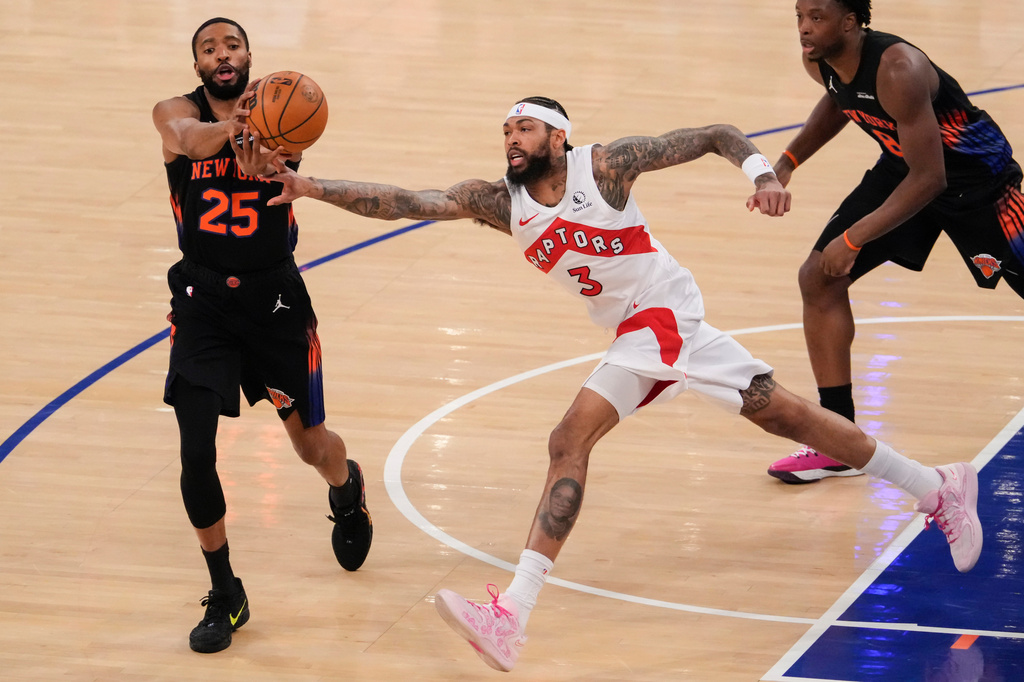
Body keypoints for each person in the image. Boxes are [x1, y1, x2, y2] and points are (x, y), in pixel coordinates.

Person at [239, 96, 983, 671]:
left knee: (570, 437)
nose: (510, 140)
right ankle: (936, 484)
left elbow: (718, 133)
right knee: (782, 414)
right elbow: (407, 200)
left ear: (557, 136)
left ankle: (513, 614)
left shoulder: (605, 167)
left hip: (662, 312)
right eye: (504, 130)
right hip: (645, 329)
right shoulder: (500, 202)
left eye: (524, 129)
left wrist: (761, 172)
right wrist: (310, 185)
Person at [151, 17, 372, 654]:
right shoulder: (174, 112)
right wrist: (236, 131)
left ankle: (347, 487)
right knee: (196, 451)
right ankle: (226, 593)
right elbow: (190, 141)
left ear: (249, 55)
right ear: (197, 65)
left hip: (275, 302)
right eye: (208, 48)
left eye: (232, 45)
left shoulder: (279, 107)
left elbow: (280, 153)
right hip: (203, 302)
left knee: (311, 449)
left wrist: (264, 143)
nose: (222, 55)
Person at [766, 0, 1024, 484]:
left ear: (850, 22)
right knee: (817, 279)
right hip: (905, 168)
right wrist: (787, 162)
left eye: (816, 17)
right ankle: (836, 439)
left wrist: (855, 236)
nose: (804, 28)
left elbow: (932, 179)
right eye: (799, 15)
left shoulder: (899, 68)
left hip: (979, 183)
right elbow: (839, 99)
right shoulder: (820, 56)